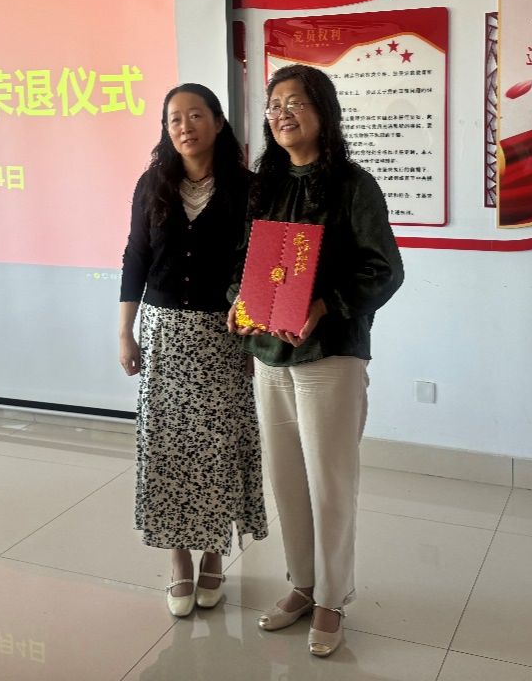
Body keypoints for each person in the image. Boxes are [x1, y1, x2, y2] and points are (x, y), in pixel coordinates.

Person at [228, 64, 404, 657]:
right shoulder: (264, 186)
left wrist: (325, 305)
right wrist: (238, 301)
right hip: (269, 354)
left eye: (295, 102)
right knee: (285, 477)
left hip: (329, 355)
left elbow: (384, 270)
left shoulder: (354, 185)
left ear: (323, 111)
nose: (282, 114)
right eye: (274, 105)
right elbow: (243, 263)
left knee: (330, 481)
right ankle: (302, 584)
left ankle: (332, 597)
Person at [120, 83, 267, 617]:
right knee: (168, 447)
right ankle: (178, 558)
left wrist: (253, 334)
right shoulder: (152, 184)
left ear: (218, 122)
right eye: (175, 119)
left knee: (216, 448)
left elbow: (259, 265)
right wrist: (125, 331)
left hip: (223, 336)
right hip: (163, 334)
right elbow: (135, 257)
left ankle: (214, 553)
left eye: (196, 115)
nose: (185, 126)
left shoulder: (247, 188)